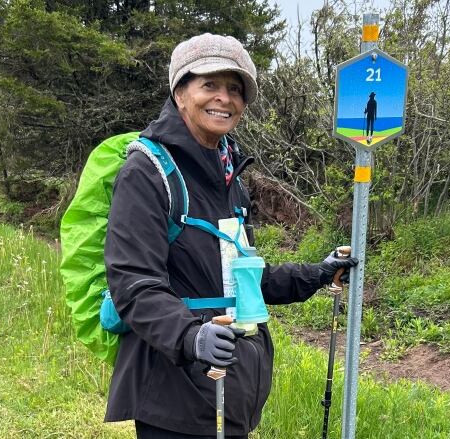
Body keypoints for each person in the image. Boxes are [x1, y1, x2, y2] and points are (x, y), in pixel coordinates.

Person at [103, 33, 358, 438]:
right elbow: (133, 284)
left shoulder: (230, 178)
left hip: (230, 382)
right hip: (175, 390)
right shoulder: (147, 173)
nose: (224, 98)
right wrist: (191, 336)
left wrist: (318, 273)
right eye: (210, 84)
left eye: (235, 89)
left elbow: (241, 278)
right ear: (180, 91)